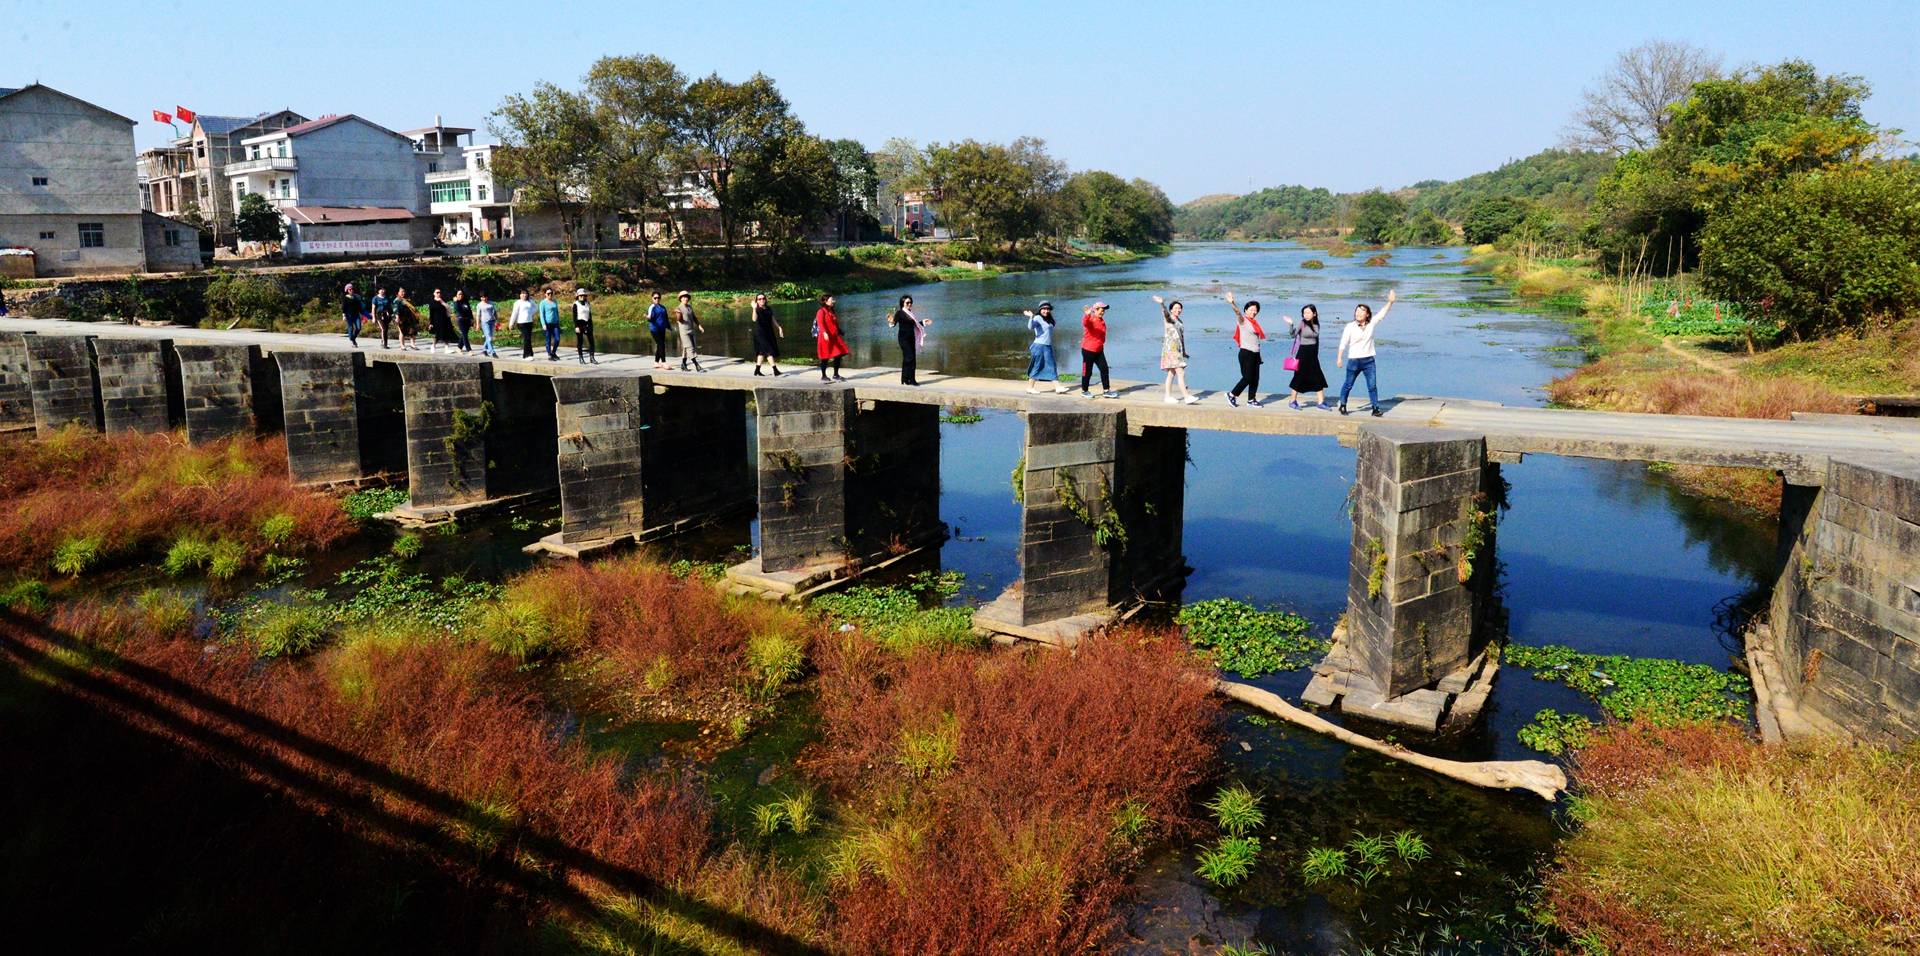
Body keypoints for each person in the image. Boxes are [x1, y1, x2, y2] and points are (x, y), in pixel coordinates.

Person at [1336, 288, 1397, 417]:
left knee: (1372, 385)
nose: (1358, 313)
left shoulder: (1371, 324)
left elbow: (1382, 314)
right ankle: (1342, 405)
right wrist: (1339, 358)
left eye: (1362, 311)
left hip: (1369, 360)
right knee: (1348, 384)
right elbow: (1343, 342)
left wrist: (1390, 302)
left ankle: (1375, 408)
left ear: (1367, 314)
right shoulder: (1350, 326)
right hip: (1354, 361)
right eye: (1357, 311)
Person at [1277, 303, 1330, 409]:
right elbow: (1293, 335)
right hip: (1303, 353)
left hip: (1313, 354)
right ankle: (1292, 401)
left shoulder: (1317, 324)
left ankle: (1321, 402)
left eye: (1308, 312)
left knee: (1317, 376)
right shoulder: (1302, 323)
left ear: (1314, 313)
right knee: (1299, 376)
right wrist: (1291, 324)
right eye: (1304, 313)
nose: (1305, 315)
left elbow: (1316, 339)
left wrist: (1316, 354)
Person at [1152, 295, 1200, 404]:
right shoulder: (1169, 319)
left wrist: (1184, 351)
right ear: (1171, 310)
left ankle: (1167, 396)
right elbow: (1164, 312)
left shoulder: (1180, 322)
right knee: (1181, 372)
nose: (1178, 310)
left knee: (1171, 373)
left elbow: (1181, 337)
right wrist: (1161, 304)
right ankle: (1186, 396)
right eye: (1175, 308)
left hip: (1177, 350)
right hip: (1170, 349)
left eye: (1180, 308)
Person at [1223, 291, 1266, 407]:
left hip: (1256, 354)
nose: (1254, 311)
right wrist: (1232, 303)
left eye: (1255, 309)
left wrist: (1259, 354)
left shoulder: (1255, 323)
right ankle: (1232, 395)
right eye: (1251, 309)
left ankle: (1251, 400)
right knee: (1247, 377)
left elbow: (1256, 340)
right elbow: (1237, 312)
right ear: (1246, 310)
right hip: (1246, 353)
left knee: (1255, 379)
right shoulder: (1243, 321)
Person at [1021, 302, 1069, 394]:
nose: (1046, 311)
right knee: (1037, 366)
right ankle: (1030, 387)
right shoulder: (1037, 317)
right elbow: (1030, 327)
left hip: (1047, 346)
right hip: (1039, 346)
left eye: (1048, 309)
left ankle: (1057, 387)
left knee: (1052, 366)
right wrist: (1031, 316)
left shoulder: (1048, 319)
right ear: (1040, 309)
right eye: (1044, 309)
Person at [889, 294, 929, 385]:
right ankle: (910, 380)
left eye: (911, 302)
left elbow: (915, 325)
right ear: (903, 303)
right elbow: (893, 324)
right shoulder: (900, 313)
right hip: (903, 339)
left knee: (911, 359)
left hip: (911, 338)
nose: (909, 304)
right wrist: (891, 321)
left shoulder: (911, 313)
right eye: (907, 302)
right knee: (909, 357)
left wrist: (923, 322)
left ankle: (905, 379)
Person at [1079, 301, 1115, 398]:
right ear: (1095, 310)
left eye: (1103, 311)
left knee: (1104, 369)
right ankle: (1084, 391)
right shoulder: (1090, 319)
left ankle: (1106, 391)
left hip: (1099, 350)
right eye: (1101, 310)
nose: (1102, 312)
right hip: (1088, 350)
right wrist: (1087, 315)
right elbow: (1085, 323)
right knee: (1087, 372)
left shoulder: (1101, 320)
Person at [815, 293, 849, 381]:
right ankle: (823, 376)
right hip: (825, 338)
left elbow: (834, 323)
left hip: (834, 337)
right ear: (825, 301)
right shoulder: (821, 311)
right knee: (825, 357)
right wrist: (824, 333)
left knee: (839, 354)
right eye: (831, 300)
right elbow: (820, 323)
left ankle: (836, 375)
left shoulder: (831, 311)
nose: (834, 301)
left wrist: (839, 330)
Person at [751, 293, 784, 376]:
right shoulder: (757, 309)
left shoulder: (768, 308)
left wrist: (779, 328)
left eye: (763, 298)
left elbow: (773, 319)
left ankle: (757, 370)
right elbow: (754, 319)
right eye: (759, 299)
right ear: (757, 301)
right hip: (760, 333)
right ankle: (775, 370)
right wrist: (754, 309)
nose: (761, 300)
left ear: (765, 299)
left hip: (768, 332)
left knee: (762, 352)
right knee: (768, 350)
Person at [675, 291, 705, 372]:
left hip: (691, 330)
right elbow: (679, 320)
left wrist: (699, 325)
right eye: (683, 297)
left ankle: (683, 365)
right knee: (690, 348)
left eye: (686, 297)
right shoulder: (679, 308)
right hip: (684, 332)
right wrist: (678, 315)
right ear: (680, 299)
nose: (685, 298)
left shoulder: (689, 307)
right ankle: (697, 366)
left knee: (686, 348)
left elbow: (694, 317)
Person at [572, 288, 597, 364]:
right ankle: (581, 358)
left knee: (591, 341)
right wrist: (576, 326)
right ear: (578, 296)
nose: (582, 297)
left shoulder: (587, 303)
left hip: (587, 323)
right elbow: (574, 316)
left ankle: (592, 357)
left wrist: (591, 326)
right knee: (580, 342)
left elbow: (590, 315)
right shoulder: (575, 304)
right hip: (579, 323)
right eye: (580, 296)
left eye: (584, 295)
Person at [427, 289, 456, 353]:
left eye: (440, 292)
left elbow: (449, 309)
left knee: (446, 334)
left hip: (445, 319)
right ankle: (433, 346)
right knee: (437, 335)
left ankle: (446, 348)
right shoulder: (432, 302)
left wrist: (442, 301)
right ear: (434, 293)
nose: (439, 294)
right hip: (437, 321)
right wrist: (431, 323)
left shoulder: (442, 301)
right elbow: (431, 314)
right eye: (437, 292)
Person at [647, 291, 670, 369]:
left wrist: (669, 327)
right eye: (655, 298)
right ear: (652, 298)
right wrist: (648, 318)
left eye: (658, 298)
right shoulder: (651, 307)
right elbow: (650, 317)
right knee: (661, 345)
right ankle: (664, 362)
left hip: (662, 329)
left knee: (660, 345)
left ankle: (656, 362)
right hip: (654, 329)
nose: (657, 299)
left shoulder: (663, 307)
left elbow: (666, 318)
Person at [510, 290, 536, 358]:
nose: (524, 295)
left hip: (529, 322)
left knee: (529, 338)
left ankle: (530, 354)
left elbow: (536, 307)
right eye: (522, 294)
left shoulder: (530, 301)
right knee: (526, 338)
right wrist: (511, 323)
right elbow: (514, 313)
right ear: (520, 295)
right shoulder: (517, 303)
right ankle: (526, 355)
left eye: (525, 294)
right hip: (521, 323)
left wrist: (530, 313)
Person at [539, 290, 562, 360]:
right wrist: (543, 324)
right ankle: (549, 354)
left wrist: (558, 322)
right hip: (547, 324)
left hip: (555, 324)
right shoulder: (543, 303)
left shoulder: (555, 301)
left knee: (557, 339)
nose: (550, 295)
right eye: (548, 293)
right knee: (548, 340)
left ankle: (553, 352)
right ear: (545, 294)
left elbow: (556, 312)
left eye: (551, 293)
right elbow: (541, 314)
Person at [476, 292, 499, 358]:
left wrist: (497, 321)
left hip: (492, 321)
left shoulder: (491, 303)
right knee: (488, 337)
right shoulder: (479, 305)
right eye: (482, 297)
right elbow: (478, 315)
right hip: (484, 322)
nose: (483, 298)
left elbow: (495, 313)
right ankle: (492, 352)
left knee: (489, 338)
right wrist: (478, 324)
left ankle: (484, 349)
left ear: (487, 297)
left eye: (484, 297)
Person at [341, 282, 362, 347]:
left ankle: (353, 338)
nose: (351, 290)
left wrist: (362, 313)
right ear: (347, 290)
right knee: (351, 327)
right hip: (349, 315)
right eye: (350, 289)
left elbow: (359, 306)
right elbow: (344, 307)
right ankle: (352, 340)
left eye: (352, 289)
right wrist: (344, 315)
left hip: (356, 315)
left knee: (358, 328)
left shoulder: (356, 297)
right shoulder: (345, 298)